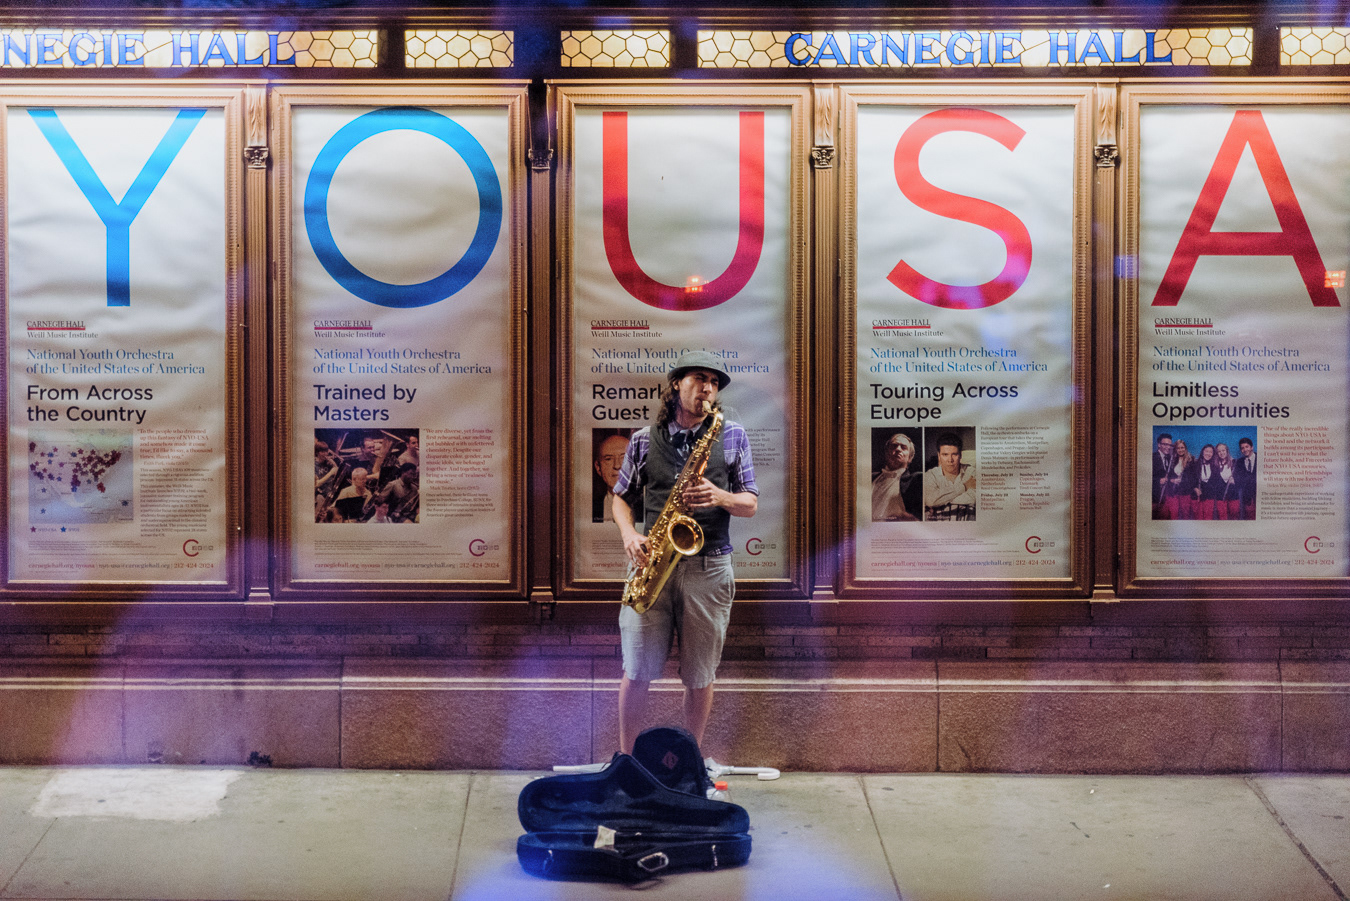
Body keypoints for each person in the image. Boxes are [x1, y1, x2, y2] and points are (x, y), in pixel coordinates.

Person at [611, 350, 758, 754]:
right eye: (698, 378)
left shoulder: (732, 435)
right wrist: (629, 534)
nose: (707, 388)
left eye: (713, 382)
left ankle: (689, 762)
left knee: (699, 675)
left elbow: (750, 504)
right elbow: (620, 497)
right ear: (677, 384)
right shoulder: (643, 439)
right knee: (636, 670)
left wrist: (721, 496)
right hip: (651, 564)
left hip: (709, 568)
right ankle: (627, 760)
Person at [923, 432, 976, 520]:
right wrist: (964, 487)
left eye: (954, 454)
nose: (950, 460)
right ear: (939, 456)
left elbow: (974, 498)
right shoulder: (931, 475)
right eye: (945, 455)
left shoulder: (971, 472)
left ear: (960, 455)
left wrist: (939, 502)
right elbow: (930, 500)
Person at [871, 430, 921, 521]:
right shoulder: (871, 477)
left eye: (903, 447)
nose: (898, 449)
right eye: (894, 446)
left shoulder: (915, 480)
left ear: (910, 458)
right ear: (886, 453)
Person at [593, 431, 630, 522]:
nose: (617, 465)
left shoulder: (648, 506)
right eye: (608, 459)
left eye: (624, 458)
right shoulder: (590, 508)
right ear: (598, 467)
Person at [1166, 439, 1194, 520]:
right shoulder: (1172, 459)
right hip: (1174, 492)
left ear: (1185, 448)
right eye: (1178, 448)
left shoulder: (1191, 460)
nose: (1180, 450)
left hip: (1185, 492)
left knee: (1185, 515)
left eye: (1182, 447)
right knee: (1174, 514)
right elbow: (1169, 476)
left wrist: (1183, 482)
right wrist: (1172, 480)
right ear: (1175, 449)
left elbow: (1193, 477)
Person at [1152, 432, 1174, 519]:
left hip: (1166, 500)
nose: (1168, 447)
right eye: (1165, 444)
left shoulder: (1170, 459)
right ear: (1159, 445)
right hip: (1153, 500)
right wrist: (1158, 481)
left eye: (1170, 445)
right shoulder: (1152, 457)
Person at [1214, 443, 1239, 520]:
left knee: (1234, 516)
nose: (1221, 453)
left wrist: (1235, 481)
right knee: (1222, 517)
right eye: (1219, 451)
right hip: (1220, 496)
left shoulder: (1235, 462)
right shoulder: (1215, 465)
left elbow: (1242, 478)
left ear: (1227, 451)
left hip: (1233, 495)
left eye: (1223, 450)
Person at [1235, 437, 1257, 520]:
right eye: (1242, 448)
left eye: (1247, 447)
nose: (1245, 450)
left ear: (1252, 447)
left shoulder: (1262, 458)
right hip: (1247, 500)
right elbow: (1238, 480)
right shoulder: (1239, 462)